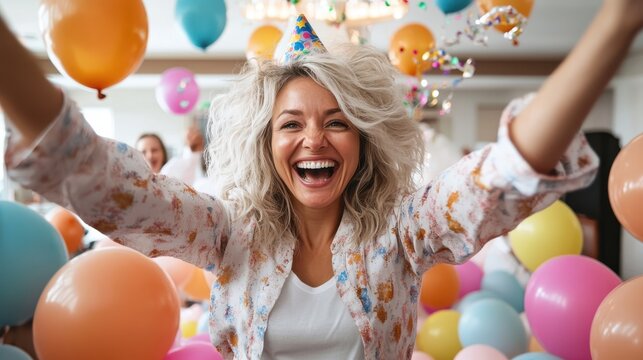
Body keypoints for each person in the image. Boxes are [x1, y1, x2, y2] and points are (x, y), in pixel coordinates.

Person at [1, 2, 642, 358]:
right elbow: (109, 184)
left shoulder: (405, 233)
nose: (313, 139)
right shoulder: (224, 233)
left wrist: (617, 22)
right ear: (265, 143)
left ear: (364, 142)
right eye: (291, 124)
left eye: (337, 122)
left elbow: (502, 179)